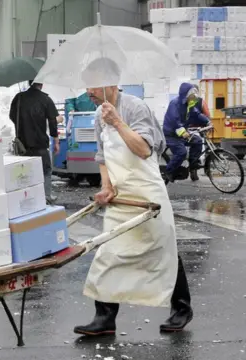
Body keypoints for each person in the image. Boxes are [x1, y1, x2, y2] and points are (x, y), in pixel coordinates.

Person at [74, 57, 192, 337]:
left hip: (146, 190)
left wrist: (116, 121)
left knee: (162, 249)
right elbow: (103, 155)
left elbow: (143, 149)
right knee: (109, 252)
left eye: (92, 87)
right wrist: (106, 186)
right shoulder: (97, 115)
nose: (88, 92)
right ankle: (104, 317)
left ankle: (181, 308)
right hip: (121, 194)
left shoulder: (135, 108)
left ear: (111, 84)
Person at [9, 80, 61, 203]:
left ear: (29, 82)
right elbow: (53, 121)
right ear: (41, 84)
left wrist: (22, 125)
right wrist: (56, 140)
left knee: (25, 174)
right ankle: (46, 196)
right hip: (40, 144)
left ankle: (27, 197)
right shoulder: (46, 99)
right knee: (46, 170)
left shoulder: (19, 98)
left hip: (22, 145)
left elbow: (11, 116)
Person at [163, 82, 211, 182]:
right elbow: (175, 121)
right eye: (192, 95)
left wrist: (207, 122)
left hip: (182, 134)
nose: (194, 98)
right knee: (181, 152)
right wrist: (183, 132)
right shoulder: (175, 104)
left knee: (197, 141)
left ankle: (193, 165)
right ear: (186, 95)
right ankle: (168, 172)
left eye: (195, 95)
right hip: (171, 135)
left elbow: (197, 114)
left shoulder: (190, 105)